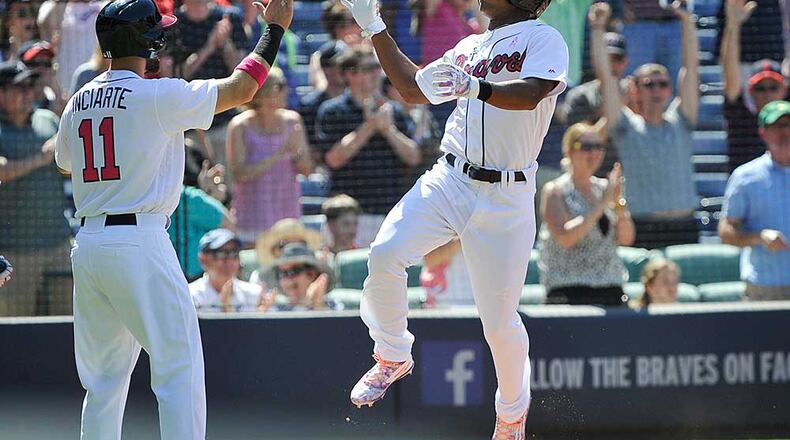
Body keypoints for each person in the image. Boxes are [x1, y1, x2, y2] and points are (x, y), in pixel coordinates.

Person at [52, 0, 293, 437]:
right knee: (178, 367)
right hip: (139, 240)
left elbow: (66, 164)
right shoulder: (158, 93)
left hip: (88, 245)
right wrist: (273, 29)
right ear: (148, 42)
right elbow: (242, 89)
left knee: (104, 382)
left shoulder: (79, 98)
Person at [340, 0, 568, 436]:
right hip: (451, 177)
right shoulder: (469, 45)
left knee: (500, 324)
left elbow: (533, 92)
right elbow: (411, 89)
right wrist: (373, 24)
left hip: (508, 192)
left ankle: (512, 412)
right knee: (385, 252)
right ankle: (392, 354)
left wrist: (476, 88)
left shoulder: (544, 38)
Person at [591, 1, 700, 249]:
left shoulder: (681, 121)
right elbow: (606, 77)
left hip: (684, 226)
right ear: (635, 89)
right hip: (641, 228)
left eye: (662, 84)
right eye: (649, 84)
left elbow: (691, 68)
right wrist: (598, 27)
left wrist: (686, 20)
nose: (656, 90)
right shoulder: (626, 127)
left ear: (670, 89)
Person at [316, 45, 421, 247]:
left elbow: (413, 156)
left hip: (390, 210)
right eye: (369, 68)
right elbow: (333, 159)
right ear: (350, 74)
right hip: (350, 218)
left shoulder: (394, 111)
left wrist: (388, 130)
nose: (376, 74)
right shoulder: (332, 110)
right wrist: (370, 126)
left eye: (376, 67)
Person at [0, 61, 72, 316]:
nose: (28, 93)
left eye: (30, 86)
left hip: (58, 244)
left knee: (67, 326)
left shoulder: (47, 120)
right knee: (15, 330)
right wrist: (43, 157)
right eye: (19, 88)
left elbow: (67, 167)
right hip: (14, 254)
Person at [538, 123, 635, 305]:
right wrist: (603, 203)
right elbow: (565, 238)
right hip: (568, 291)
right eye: (586, 147)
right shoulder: (555, 191)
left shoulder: (605, 188)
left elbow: (626, 238)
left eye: (599, 147)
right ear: (569, 151)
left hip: (610, 289)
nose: (594, 153)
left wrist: (619, 205)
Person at [227, 67, 313, 244]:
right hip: (252, 213)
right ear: (263, 91)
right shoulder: (240, 126)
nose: (286, 90)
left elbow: (306, 170)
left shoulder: (293, 120)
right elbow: (240, 174)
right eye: (280, 86)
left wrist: (297, 153)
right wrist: (280, 154)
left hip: (286, 210)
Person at [718, 100, 790, 300]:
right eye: (778, 126)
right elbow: (725, 232)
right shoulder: (746, 177)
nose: (786, 132)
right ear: (763, 133)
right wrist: (760, 237)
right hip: (765, 288)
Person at [720, 0, 789, 172]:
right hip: (749, 192)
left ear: (784, 89)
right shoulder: (739, 111)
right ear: (750, 91)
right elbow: (729, 70)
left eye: (773, 87)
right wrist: (733, 25)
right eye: (760, 88)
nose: (767, 94)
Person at [189, 229, 262, 312]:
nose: (229, 260)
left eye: (234, 253)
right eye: (221, 253)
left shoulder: (254, 294)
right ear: (203, 259)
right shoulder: (190, 296)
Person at [261, 242, 338, 311]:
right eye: (281, 274)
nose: (286, 280)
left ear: (312, 274)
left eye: (293, 272)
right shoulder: (275, 310)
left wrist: (318, 306)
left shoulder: (332, 307)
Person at [321, 193, 361, 260]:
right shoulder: (322, 260)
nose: (352, 231)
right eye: (346, 224)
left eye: (355, 224)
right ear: (331, 225)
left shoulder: (361, 259)